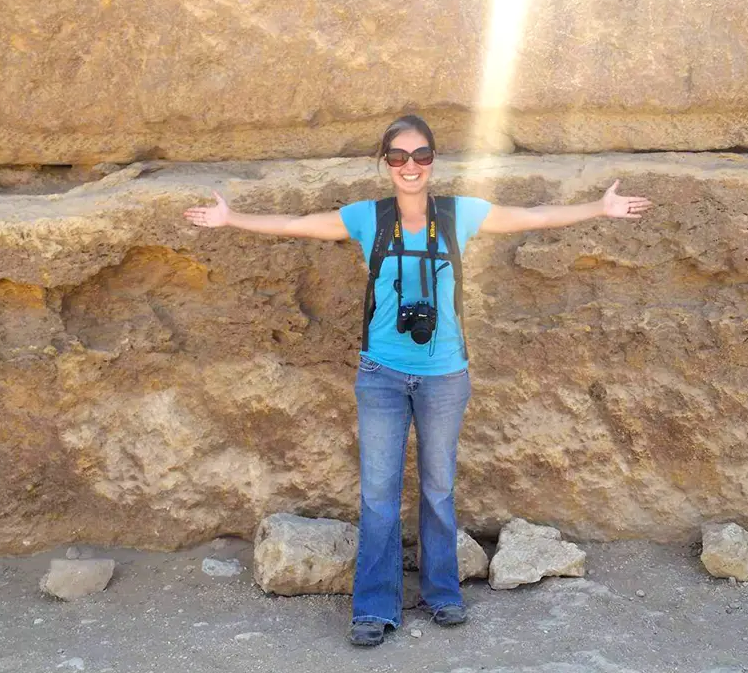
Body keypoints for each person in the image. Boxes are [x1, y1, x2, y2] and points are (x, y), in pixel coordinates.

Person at [183, 115, 653, 647]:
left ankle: (443, 594)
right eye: (400, 156)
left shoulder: (458, 214)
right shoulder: (369, 219)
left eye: (422, 155)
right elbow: (297, 224)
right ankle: (374, 608)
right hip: (380, 375)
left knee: (438, 489)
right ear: (385, 163)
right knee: (379, 495)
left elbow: (534, 216)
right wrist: (230, 218)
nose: (411, 166)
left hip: (445, 376)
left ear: (434, 161)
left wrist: (600, 206)